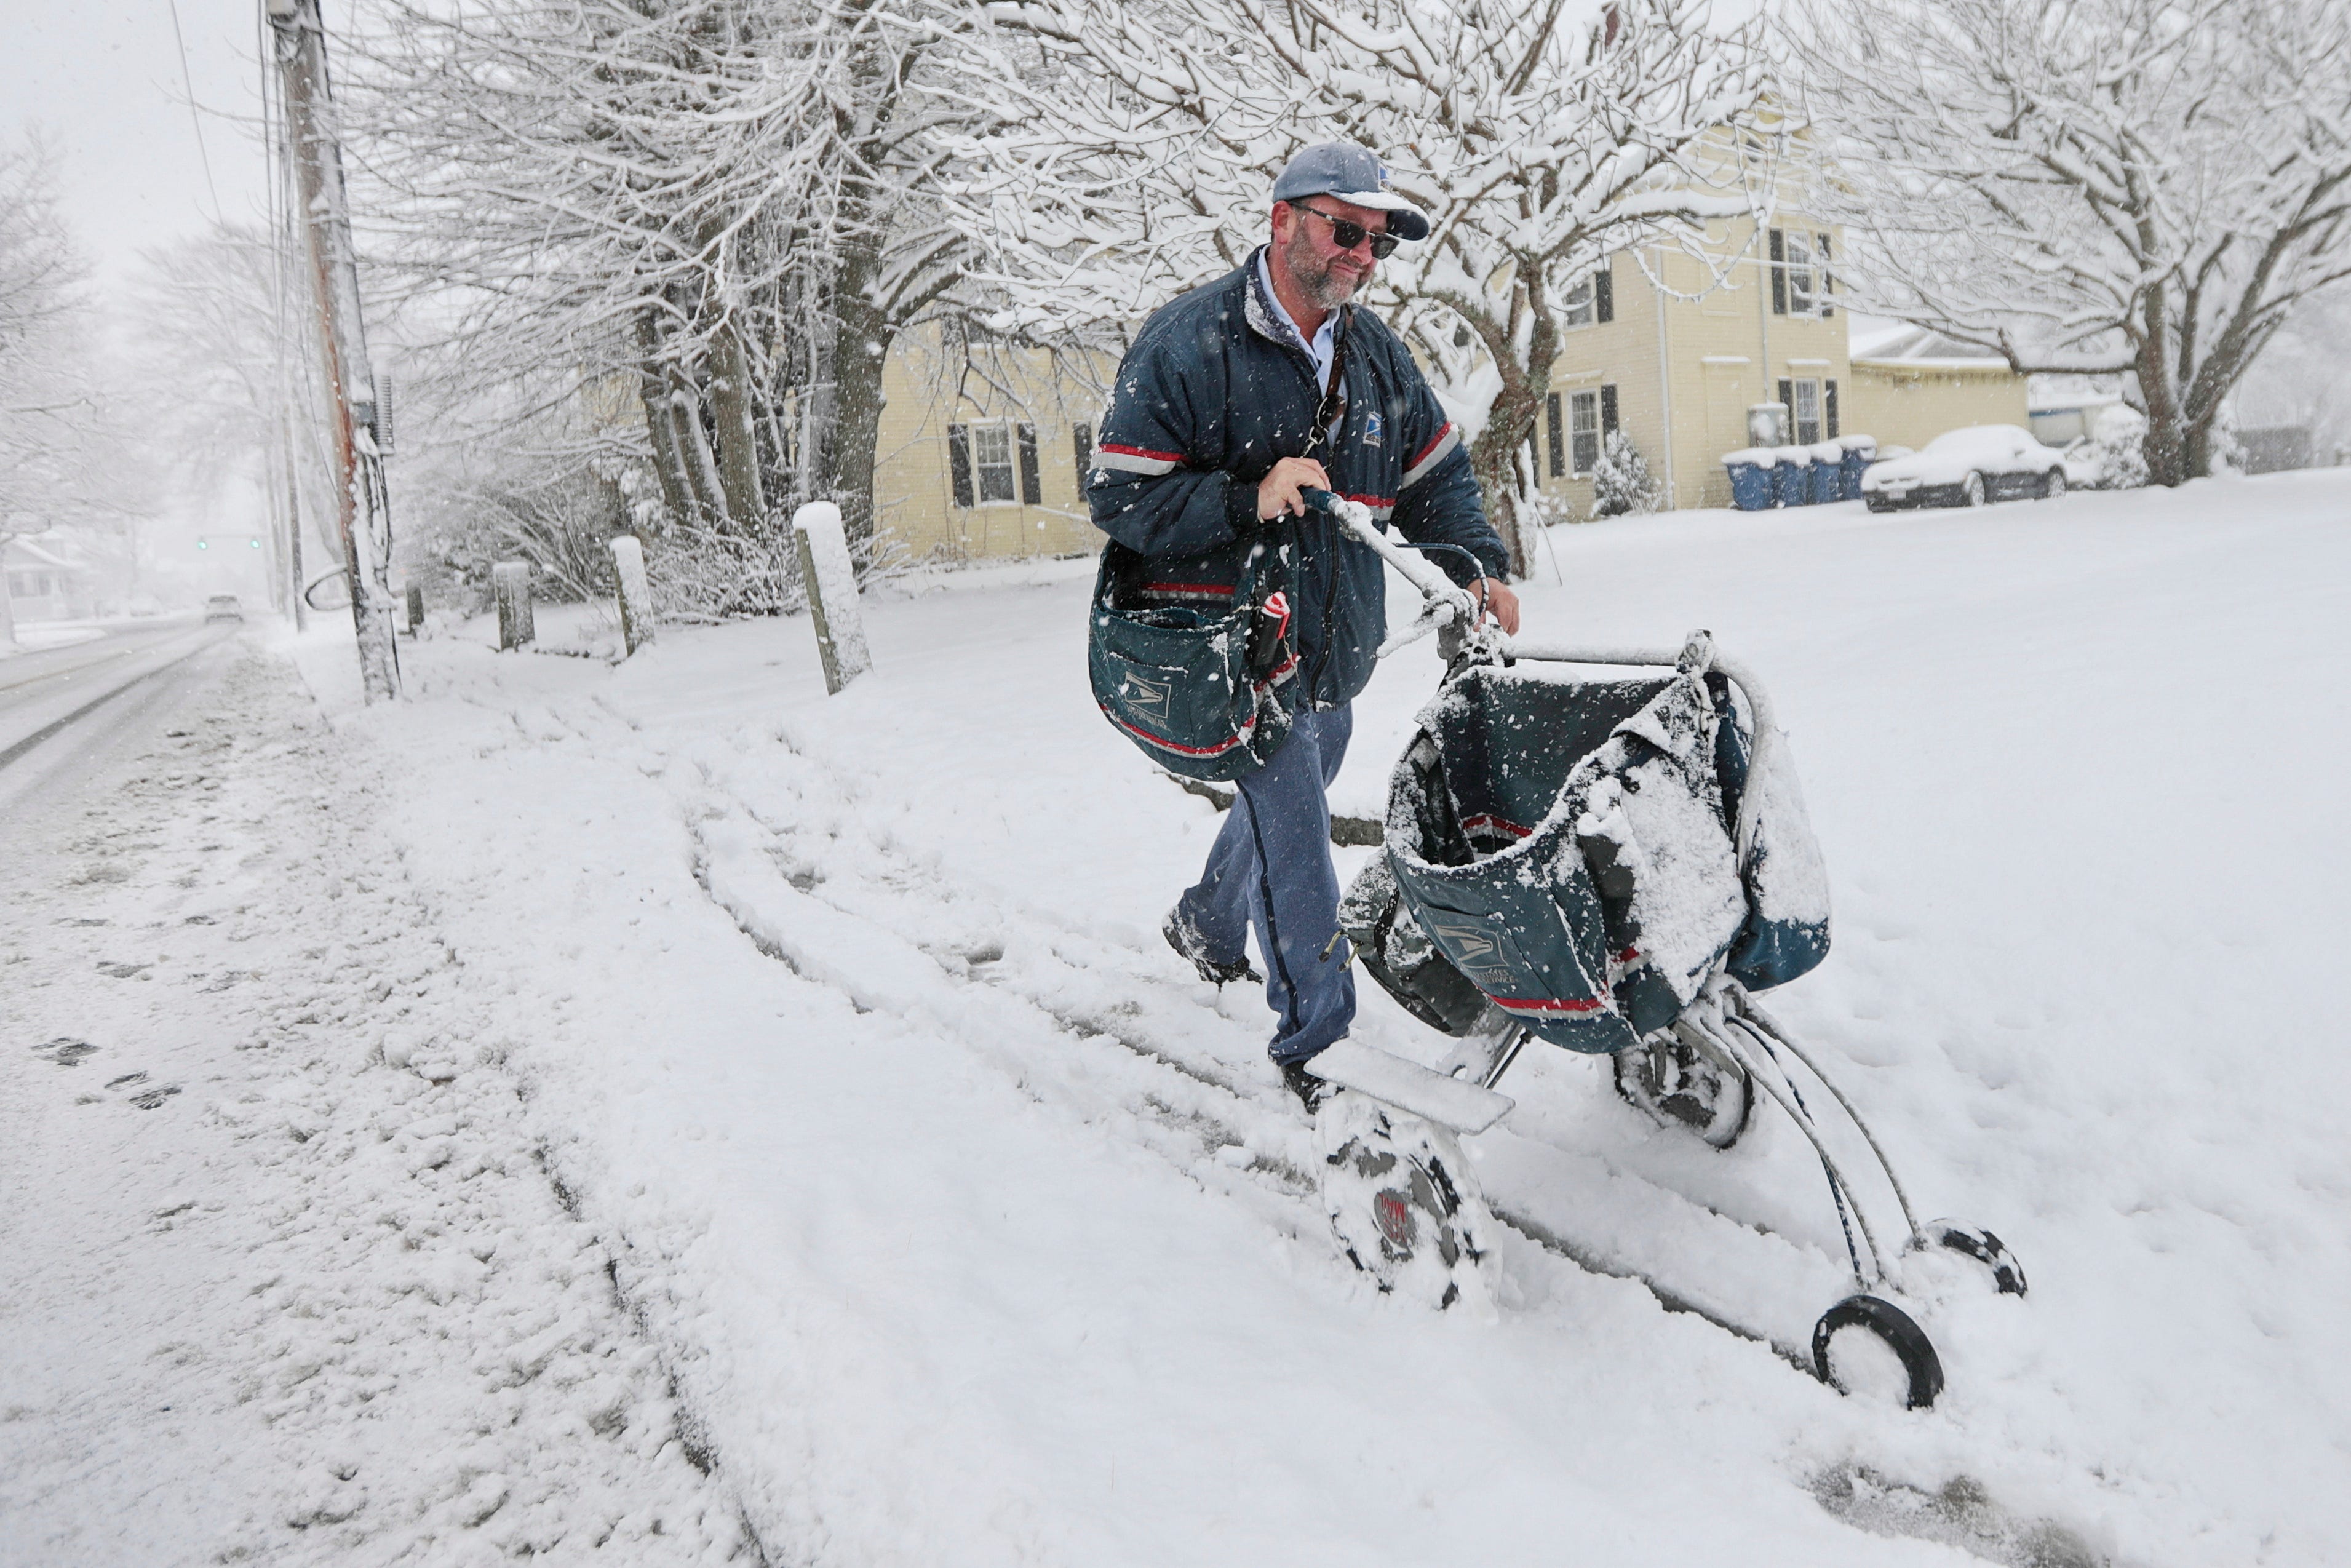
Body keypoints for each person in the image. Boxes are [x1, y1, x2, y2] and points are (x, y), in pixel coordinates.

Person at [1087, 142, 1519, 1115]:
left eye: (1379, 240)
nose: (1364, 255)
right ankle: (1317, 1042)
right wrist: (1250, 495)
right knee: (1294, 827)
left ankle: (1205, 921)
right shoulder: (1188, 343)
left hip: (1331, 643)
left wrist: (1476, 564)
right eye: (1346, 230)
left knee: (1308, 774)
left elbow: (1436, 477)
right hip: (1227, 645)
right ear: (1282, 221)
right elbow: (1119, 497)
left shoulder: (1374, 356)